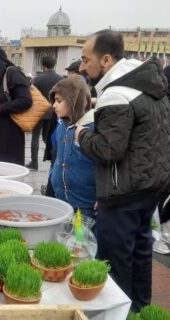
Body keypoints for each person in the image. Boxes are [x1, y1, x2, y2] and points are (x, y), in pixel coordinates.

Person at [75, 29, 170, 312]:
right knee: (141, 251)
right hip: (151, 185)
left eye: (85, 59)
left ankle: (117, 312)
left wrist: (82, 135)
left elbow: (108, 149)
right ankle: (139, 308)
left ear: (105, 60)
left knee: (115, 260)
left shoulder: (116, 93)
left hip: (123, 193)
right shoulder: (147, 84)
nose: (82, 66)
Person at [49, 77, 96, 222]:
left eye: (59, 101)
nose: (54, 105)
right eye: (54, 100)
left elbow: (103, 163)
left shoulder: (92, 128)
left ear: (74, 100)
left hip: (84, 202)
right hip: (60, 196)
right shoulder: (62, 124)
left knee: (81, 240)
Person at [27, 56, 64, 170]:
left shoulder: (37, 79)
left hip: (39, 112)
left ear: (43, 66)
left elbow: (31, 95)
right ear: (54, 65)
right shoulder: (61, 79)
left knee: (35, 137)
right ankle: (55, 158)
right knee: (49, 136)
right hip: (54, 111)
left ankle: (34, 163)